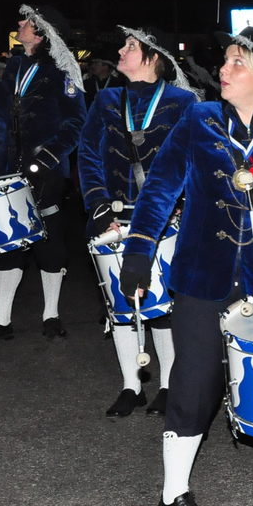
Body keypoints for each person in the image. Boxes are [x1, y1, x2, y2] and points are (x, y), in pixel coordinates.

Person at [118, 27, 253, 506]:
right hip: (201, 275)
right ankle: (172, 498)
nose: (223, 69)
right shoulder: (199, 119)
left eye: (237, 62)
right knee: (192, 384)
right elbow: (160, 187)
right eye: (227, 59)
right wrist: (139, 251)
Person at [78, 26, 199, 418]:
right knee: (121, 307)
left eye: (130, 46)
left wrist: (182, 204)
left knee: (162, 307)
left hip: (163, 218)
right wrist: (98, 206)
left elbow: (195, 159)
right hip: (114, 217)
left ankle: (167, 385)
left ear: (153, 57)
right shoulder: (106, 99)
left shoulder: (182, 101)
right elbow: (87, 154)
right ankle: (131, 386)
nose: (121, 50)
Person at [0, 4, 86, 346]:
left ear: (42, 32)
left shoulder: (64, 68)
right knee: (8, 243)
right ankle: (1, 321)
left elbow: (76, 123)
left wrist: (45, 160)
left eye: (28, 21)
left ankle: (51, 316)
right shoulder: (15, 65)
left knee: (50, 244)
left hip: (46, 172)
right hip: (9, 170)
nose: (20, 23)